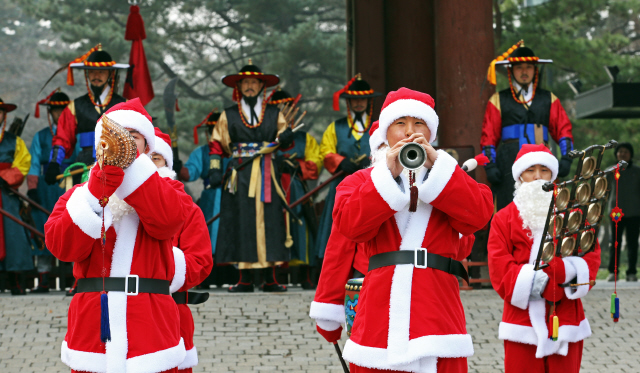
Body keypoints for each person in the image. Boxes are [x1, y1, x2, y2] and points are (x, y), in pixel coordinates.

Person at [315, 88, 494, 372]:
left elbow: (479, 216)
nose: (410, 132)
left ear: (431, 133)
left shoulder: (446, 178)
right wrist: (386, 177)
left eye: (418, 123)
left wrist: (440, 167)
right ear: (386, 133)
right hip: (379, 317)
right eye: (400, 124)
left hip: (439, 315)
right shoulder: (359, 182)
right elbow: (349, 226)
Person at [45, 98, 193, 373]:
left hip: (150, 326)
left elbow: (168, 221)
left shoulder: (171, 189)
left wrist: (133, 170)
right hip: (93, 327)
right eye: (113, 136)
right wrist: (94, 193)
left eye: (131, 137)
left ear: (147, 148)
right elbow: (61, 247)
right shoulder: (77, 195)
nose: (121, 143)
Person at [487, 144, 600, 373]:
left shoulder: (574, 214)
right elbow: (499, 268)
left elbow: (591, 257)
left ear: (553, 175)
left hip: (566, 317)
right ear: (519, 175)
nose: (537, 177)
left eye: (544, 170)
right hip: (521, 321)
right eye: (530, 170)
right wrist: (542, 283)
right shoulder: (503, 218)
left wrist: (564, 272)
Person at [209, 60, 294, 292]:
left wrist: (287, 140)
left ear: (261, 86)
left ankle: (271, 278)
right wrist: (215, 169)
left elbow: (286, 145)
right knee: (241, 220)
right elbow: (216, 144)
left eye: (253, 82)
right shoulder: (228, 115)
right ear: (238, 87)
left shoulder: (275, 113)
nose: (249, 87)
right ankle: (244, 279)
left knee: (272, 220)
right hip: (240, 173)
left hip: (269, 172)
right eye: (245, 82)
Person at [481, 42, 574, 211]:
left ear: (535, 70)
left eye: (529, 67)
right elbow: (488, 137)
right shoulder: (498, 99)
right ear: (511, 70)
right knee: (508, 207)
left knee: (544, 207)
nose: (524, 72)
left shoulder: (548, 98)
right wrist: (490, 165)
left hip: (542, 159)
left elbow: (563, 130)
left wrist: (566, 158)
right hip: (508, 164)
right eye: (519, 68)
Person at [152, 128, 213, 373]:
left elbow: (200, 262)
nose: (148, 163)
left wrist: (157, 274)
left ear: (166, 162)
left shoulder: (188, 209)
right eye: (142, 157)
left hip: (171, 312)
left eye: (155, 158)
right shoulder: (116, 204)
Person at [315, 74, 381, 263]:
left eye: (362, 99)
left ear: (368, 101)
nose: (359, 103)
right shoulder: (335, 127)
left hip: (371, 184)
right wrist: (340, 161)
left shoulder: (379, 128)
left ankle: (366, 263)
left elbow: (387, 149)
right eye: (354, 100)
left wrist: (372, 162)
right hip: (341, 183)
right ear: (348, 102)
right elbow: (325, 152)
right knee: (336, 225)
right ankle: (334, 264)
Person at [45, 44, 128, 185]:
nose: (96, 76)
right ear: (87, 74)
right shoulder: (75, 106)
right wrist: (54, 163)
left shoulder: (124, 104)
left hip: (116, 165)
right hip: (84, 167)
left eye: (101, 72)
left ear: (110, 74)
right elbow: (62, 138)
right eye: (92, 72)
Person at [269, 88, 323, 289]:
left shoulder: (303, 137)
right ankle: (274, 276)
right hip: (271, 185)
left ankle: (306, 275)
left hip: (297, 187)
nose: (283, 112)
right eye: (278, 108)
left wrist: (298, 166)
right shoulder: (266, 134)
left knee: (303, 227)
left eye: (286, 108)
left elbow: (315, 164)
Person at [28, 89, 75, 293]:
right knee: (44, 228)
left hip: (71, 183)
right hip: (46, 186)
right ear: (50, 112)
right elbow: (34, 163)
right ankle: (44, 277)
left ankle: (76, 277)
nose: (59, 113)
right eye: (55, 110)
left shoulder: (76, 133)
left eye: (63, 109)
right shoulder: (41, 137)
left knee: (74, 228)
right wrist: (32, 189)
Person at [0, 98, 33, 295]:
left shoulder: (15, 141)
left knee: (13, 236)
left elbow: (23, 164)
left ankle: (16, 282)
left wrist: (6, 178)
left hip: (6, 194)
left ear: (4, 115)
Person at [608, 142, 640, 282]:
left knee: (633, 243)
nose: (623, 154)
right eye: (620, 151)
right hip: (615, 213)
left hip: (634, 211)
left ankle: (631, 272)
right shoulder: (610, 172)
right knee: (615, 242)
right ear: (616, 154)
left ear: (631, 154)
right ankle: (613, 272)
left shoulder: (638, 172)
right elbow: (603, 193)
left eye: (626, 152)